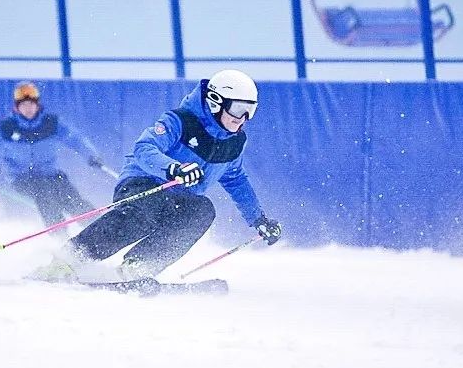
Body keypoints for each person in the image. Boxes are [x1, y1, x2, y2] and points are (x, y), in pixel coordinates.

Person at [31, 69, 281, 282]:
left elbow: (236, 180)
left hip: (180, 199)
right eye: (239, 109)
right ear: (216, 101)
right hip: (144, 183)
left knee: (203, 210)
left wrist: (258, 219)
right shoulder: (181, 121)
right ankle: (70, 259)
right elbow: (145, 148)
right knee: (143, 212)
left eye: (251, 111)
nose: (244, 118)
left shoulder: (234, 142)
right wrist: (173, 168)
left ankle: (138, 266)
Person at [0, 81, 105, 227]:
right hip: (20, 178)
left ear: (37, 105)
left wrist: (91, 156)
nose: (28, 109)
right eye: (23, 105)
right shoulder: (6, 127)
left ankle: (98, 228)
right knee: (45, 194)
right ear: (17, 107)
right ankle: (60, 235)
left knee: (69, 196)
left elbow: (75, 139)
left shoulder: (50, 123)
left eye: (31, 105)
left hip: (50, 174)